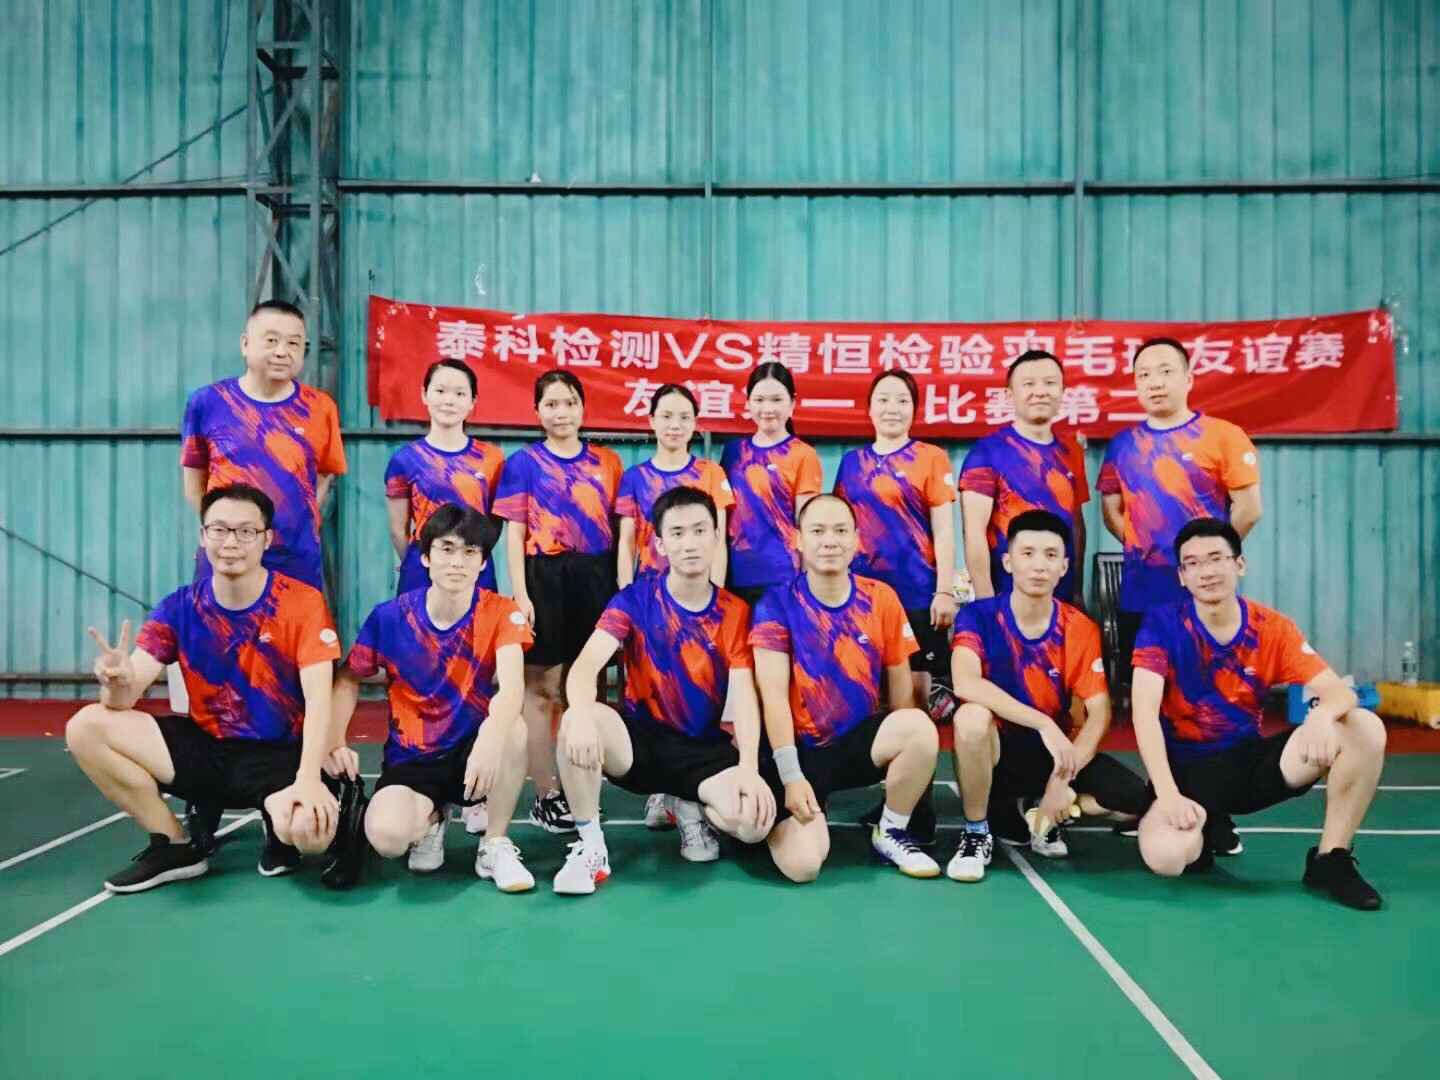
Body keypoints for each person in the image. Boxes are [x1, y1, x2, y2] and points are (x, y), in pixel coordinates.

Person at [64, 484, 364, 893]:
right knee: (85, 727)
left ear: (266, 539)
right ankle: (174, 844)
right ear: (203, 536)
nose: (231, 542)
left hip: (277, 755)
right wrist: (115, 681)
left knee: (309, 833)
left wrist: (309, 778)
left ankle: (281, 823)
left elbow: (318, 699)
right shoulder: (179, 607)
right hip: (207, 748)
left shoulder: (301, 602)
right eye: (219, 529)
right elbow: (124, 698)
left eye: (246, 531)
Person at [1132, 518, 1385, 910]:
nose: (1206, 571)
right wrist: (1167, 795)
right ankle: (1209, 825)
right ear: (1181, 576)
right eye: (1193, 563)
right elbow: (1144, 714)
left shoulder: (1272, 628)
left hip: (1248, 766)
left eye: (1216, 558)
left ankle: (1330, 859)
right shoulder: (1162, 625)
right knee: (1168, 858)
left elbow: (1338, 691)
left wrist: (1320, 717)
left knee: (1364, 728)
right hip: (1186, 776)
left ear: (1240, 564)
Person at [551, 487, 776, 895]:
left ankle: (685, 802)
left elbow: (745, 698)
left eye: (700, 531)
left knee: (753, 824)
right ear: (659, 543)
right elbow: (584, 668)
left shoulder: (735, 612)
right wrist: (580, 713)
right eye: (677, 533)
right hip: (642, 745)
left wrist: (748, 767)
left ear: (716, 537)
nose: (689, 543)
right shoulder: (634, 600)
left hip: (703, 751)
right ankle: (591, 846)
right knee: (575, 721)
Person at [333, 505, 535, 892]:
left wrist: (491, 738)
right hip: (413, 757)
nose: (457, 562)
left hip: (473, 753)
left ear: (482, 563)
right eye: (446, 549)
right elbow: (347, 678)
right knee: (387, 838)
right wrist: (334, 740)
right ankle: (433, 819)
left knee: (514, 728)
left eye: (470, 552)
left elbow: (512, 688)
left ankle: (494, 843)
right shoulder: (389, 618)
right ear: (425, 557)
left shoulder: (502, 612)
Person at [946, 510, 1149, 883]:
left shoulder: (1080, 628)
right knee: (970, 718)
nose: (1039, 565)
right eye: (1027, 553)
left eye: (1051, 555)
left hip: (1054, 755)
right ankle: (976, 832)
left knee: (1136, 798)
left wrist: (1062, 781)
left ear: (1064, 566)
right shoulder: (978, 616)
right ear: (1008, 562)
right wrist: (1042, 723)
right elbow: (965, 683)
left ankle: (1048, 811)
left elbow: (1099, 713)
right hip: (999, 753)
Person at [753, 494, 941, 883]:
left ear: (856, 540)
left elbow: (902, 696)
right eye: (817, 531)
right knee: (803, 866)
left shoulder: (882, 598)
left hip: (855, 746)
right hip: (799, 754)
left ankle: (891, 831)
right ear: (798, 540)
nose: (830, 541)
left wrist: (904, 772)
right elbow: (773, 700)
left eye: (840, 531)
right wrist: (791, 777)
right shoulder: (776, 604)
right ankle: (767, 823)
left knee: (918, 727)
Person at [494, 371, 622, 835]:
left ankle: (583, 787)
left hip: (595, 576)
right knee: (542, 689)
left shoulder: (607, 462)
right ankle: (547, 794)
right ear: (537, 411)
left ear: (583, 407)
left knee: (589, 688)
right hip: (543, 577)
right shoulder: (522, 464)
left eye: (569, 402)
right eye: (551, 404)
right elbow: (514, 534)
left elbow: (621, 531)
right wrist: (521, 593)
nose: (561, 412)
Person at [1098, 337, 1262, 675]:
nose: (1155, 382)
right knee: (1143, 684)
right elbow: (1112, 510)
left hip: (1205, 591)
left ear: (1188, 379)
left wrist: (1209, 557)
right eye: (1144, 375)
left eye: (1165, 371)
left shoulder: (1224, 435)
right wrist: (1141, 545)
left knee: (1206, 683)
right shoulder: (1122, 445)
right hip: (1141, 590)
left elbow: (1249, 509)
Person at [181, 299, 346, 591]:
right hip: (227, 555)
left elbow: (322, 475)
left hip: (295, 557)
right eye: (271, 340)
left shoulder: (320, 408)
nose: (282, 352)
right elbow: (195, 480)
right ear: (245, 344)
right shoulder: (208, 403)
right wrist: (225, 529)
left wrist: (298, 523)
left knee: (297, 621)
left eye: (294, 343)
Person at [834, 369, 957, 703]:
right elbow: (840, 528)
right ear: (870, 408)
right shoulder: (851, 462)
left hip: (917, 593)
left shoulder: (932, 457)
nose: (892, 408)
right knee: (866, 692)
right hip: (861, 596)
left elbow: (944, 529)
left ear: (914, 409)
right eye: (883, 400)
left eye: (902, 401)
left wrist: (945, 590)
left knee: (918, 698)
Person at [959, 349, 1090, 604]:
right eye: (1028, 384)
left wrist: (1077, 591)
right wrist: (986, 602)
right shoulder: (986, 452)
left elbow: (1076, 523)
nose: (1040, 392)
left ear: (1062, 391)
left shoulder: (1071, 451)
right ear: (1010, 394)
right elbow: (974, 533)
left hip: (1061, 598)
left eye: (1049, 383)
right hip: (1007, 598)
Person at [384, 358, 504, 597]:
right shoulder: (405, 459)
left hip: (475, 566)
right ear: (424, 395)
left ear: (472, 402)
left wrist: (471, 554)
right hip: (423, 569)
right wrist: (427, 559)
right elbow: (398, 530)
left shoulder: (492, 458)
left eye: (460, 393)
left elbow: (495, 523)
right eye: (440, 391)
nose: (449, 400)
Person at [720, 363, 823, 609]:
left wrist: (808, 584)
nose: (768, 409)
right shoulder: (733, 452)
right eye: (759, 400)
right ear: (748, 403)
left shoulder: (803, 454)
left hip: (783, 577)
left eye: (777, 399)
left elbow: (808, 526)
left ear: (792, 403)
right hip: (735, 575)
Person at [616, 383, 733, 588]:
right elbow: (626, 544)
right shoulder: (634, 478)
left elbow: (718, 542)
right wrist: (627, 595)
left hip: (699, 591)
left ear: (695, 422)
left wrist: (717, 595)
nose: (675, 425)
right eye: (667, 416)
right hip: (648, 590)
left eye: (684, 417)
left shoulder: (712, 473)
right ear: (652, 420)